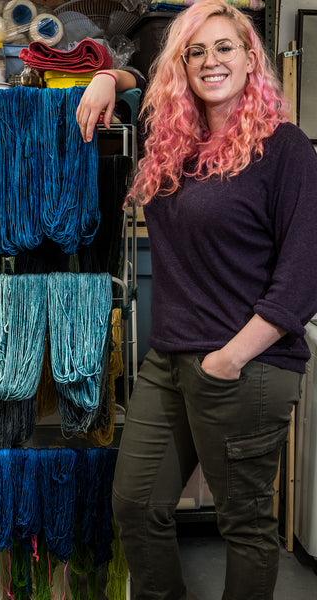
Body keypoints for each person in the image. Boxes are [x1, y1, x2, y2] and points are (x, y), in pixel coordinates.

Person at [76, 1, 317, 599]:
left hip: (247, 366)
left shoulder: (283, 148)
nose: (212, 61)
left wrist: (231, 358)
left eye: (226, 47)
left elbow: (303, 274)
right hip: (169, 360)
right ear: (181, 65)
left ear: (251, 56)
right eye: (197, 51)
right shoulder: (172, 141)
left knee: (245, 526)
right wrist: (106, 75)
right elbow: (133, 81)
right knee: (135, 504)